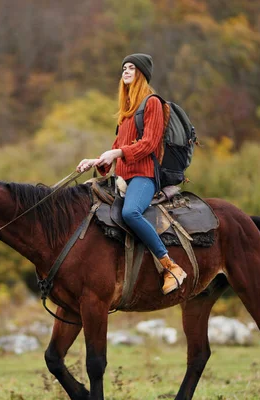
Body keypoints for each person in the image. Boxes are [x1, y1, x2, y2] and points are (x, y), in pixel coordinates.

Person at [76, 53, 187, 295]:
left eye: (131, 68)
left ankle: (171, 266)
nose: (125, 71)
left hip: (143, 176)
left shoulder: (152, 103)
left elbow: (149, 143)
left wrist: (115, 154)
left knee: (131, 212)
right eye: (124, 67)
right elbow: (117, 149)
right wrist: (96, 161)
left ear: (142, 74)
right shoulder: (127, 113)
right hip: (122, 177)